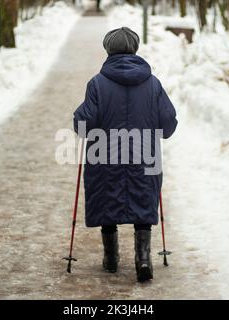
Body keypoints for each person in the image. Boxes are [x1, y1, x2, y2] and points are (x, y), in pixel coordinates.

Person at [73, 27, 177, 282]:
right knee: (144, 199)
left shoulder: (97, 83)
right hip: (145, 155)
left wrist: (78, 118)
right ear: (135, 49)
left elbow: (84, 124)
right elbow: (168, 124)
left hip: (105, 156)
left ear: (108, 49)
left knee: (108, 200)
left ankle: (111, 259)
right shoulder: (153, 83)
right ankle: (143, 259)